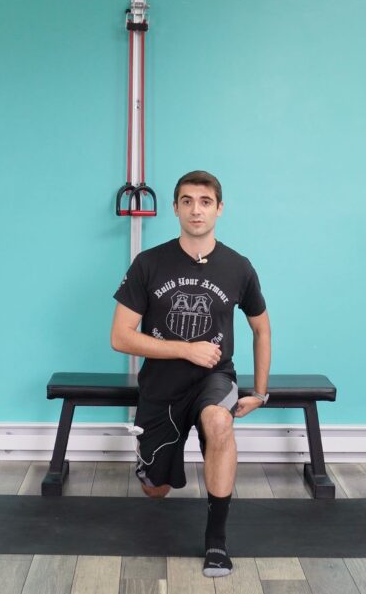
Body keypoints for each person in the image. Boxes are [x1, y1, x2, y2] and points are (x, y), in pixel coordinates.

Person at [111, 170, 272, 578]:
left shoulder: (238, 266)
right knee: (156, 490)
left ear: (219, 208)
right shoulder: (149, 263)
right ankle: (159, 466)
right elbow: (120, 337)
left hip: (214, 379)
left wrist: (261, 391)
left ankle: (216, 542)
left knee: (220, 422)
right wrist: (185, 349)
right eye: (186, 201)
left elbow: (261, 328)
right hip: (162, 387)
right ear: (176, 208)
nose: (195, 209)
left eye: (204, 201)